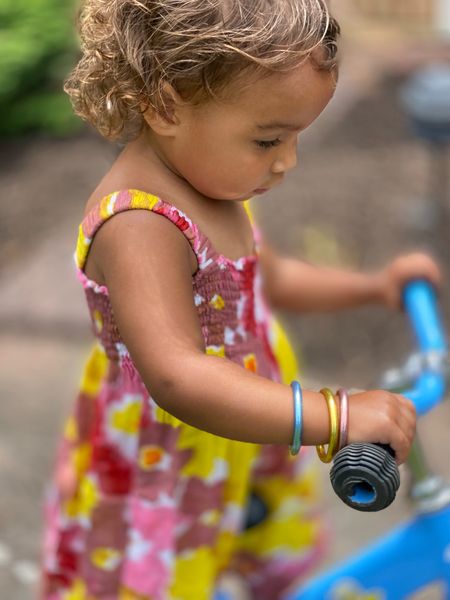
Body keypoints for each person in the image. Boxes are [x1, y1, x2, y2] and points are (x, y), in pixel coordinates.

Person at [40, 1, 440, 599]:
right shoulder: (139, 224)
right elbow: (177, 376)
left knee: (245, 552)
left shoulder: (213, 182)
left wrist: (374, 287)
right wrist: (336, 415)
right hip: (172, 462)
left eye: (294, 136)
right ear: (165, 103)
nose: (287, 161)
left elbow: (268, 280)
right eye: (268, 138)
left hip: (241, 430)